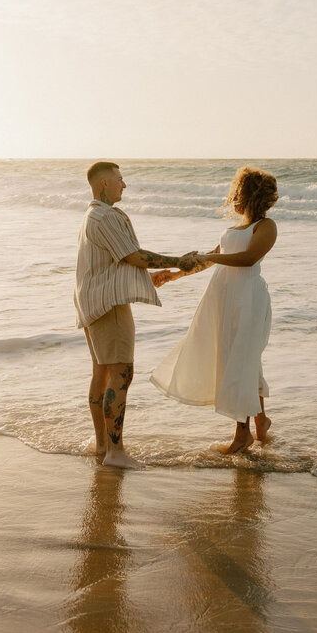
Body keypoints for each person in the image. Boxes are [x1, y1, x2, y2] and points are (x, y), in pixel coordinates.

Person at [74, 161, 198, 469]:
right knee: (122, 373)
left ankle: (103, 446)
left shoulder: (92, 216)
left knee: (102, 373)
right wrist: (179, 261)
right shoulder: (103, 217)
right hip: (109, 305)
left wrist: (152, 277)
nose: (124, 185)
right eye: (119, 179)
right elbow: (133, 256)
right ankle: (115, 452)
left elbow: (114, 263)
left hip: (91, 301)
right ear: (104, 183)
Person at [150, 166, 278, 454]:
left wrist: (208, 255)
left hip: (247, 299)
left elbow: (248, 259)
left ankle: (242, 434)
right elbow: (210, 261)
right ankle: (262, 421)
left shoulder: (265, 227)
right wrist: (173, 274)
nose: (233, 197)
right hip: (223, 296)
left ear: (249, 196)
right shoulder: (235, 229)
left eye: (238, 192)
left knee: (240, 360)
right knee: (238, 357)